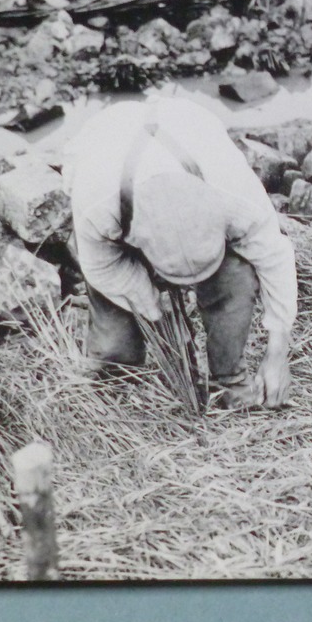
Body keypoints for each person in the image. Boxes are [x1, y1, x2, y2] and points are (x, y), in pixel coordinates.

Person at [62, 96, 296, 409]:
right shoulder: (97, 204)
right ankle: (115, 394)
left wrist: (277, 352)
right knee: (116, 345)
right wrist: (157, 311)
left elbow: (276, 257)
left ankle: (227, 382)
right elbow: (101, 267)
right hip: (110, 170)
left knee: (233, 280)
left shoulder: (234, 194)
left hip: (188, 131)